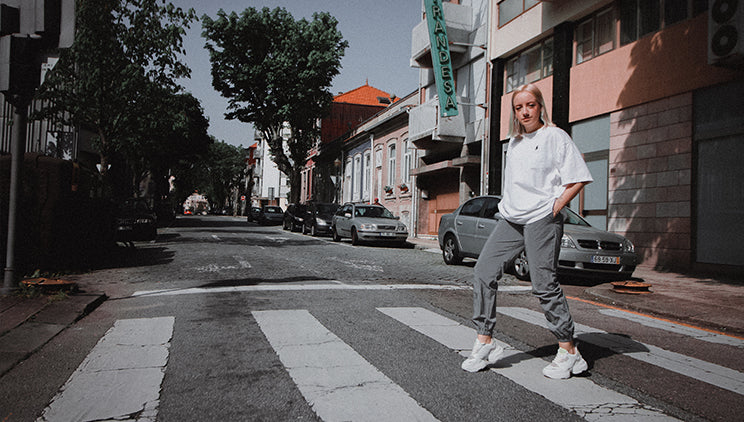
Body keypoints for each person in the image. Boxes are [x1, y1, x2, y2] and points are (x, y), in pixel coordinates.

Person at [461, 83, 593, 379]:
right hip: (511, 218)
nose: (524, 112)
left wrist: (556, 206)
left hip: (542, 218)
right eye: (518, 107)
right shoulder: (515, 141)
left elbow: (579, 176)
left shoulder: (555, 136)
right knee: (483, 271)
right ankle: (485, 341)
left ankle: (568, 349)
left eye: (530, 105)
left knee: (544, 283)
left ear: (540, 106)